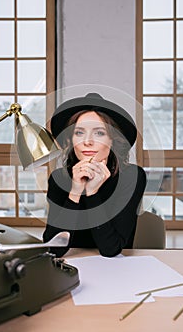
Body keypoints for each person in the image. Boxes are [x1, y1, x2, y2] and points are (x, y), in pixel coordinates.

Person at [43, 93, 146, 257]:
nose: (87, 141)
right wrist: (75, 193)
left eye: (99, 133)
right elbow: (54, 249)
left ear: (112, 140)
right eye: (79, 133)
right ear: (70, 141)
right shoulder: (59, 178)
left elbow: (110, 249)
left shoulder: (132, 177)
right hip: (73, 265)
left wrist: (92, 193)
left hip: (115, 269)